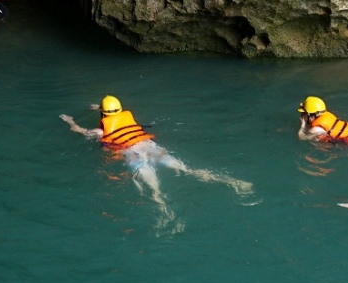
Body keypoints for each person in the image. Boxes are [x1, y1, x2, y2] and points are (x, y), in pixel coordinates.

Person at [60, 95, 253, 230]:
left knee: (156, 191)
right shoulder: (129, 119)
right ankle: (233, 182)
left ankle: (168, 214)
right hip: (151, 148)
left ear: (102, 114)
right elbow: (111, 112)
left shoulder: (101, 132)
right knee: (189, 170)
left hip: (134, 156)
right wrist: (99, 107)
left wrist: (69, 121)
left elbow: (79, 131)